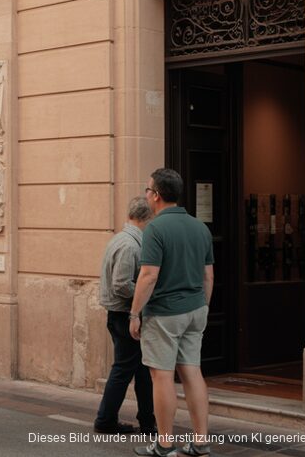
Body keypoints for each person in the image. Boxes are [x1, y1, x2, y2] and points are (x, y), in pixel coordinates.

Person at [130, 168, 215, 457]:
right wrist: (203, 306)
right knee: (192, 372)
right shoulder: (199, 227)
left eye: (147, 189)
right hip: (195, 309)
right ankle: (201, 441)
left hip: (165, 312)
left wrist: (134, 313)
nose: (146, 194)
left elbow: (148, 275)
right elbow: (208, 275)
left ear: (155, 195)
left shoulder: (155, 228)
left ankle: (164, 443)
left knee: (162, 376)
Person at [95, 196, 157, 435]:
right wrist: (146, 294)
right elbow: (121, 284)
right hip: (124, 315)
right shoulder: (130, 245)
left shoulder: (122, 239)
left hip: (121, 314)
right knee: (124, 369)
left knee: (140, 370)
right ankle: (106, 420)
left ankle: (146, 421)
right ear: (146, 219)